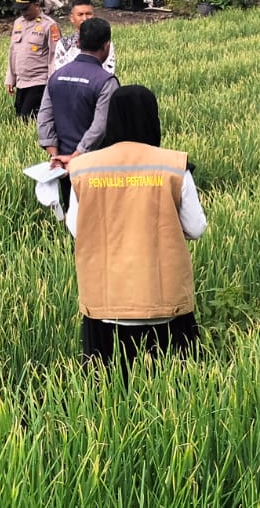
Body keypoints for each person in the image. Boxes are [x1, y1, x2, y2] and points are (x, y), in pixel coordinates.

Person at [66, 84, 206, 368]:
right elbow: (196, 227)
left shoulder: (84, 168)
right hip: (165, 302)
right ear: (153, 118)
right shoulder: (174, 165)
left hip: (106, 304)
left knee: (108, 389)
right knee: (176, 390)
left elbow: (77, 229)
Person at [38, 17, 120, 217]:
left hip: (63, 165)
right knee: (97, 218)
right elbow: (100, 126)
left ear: (78, 43)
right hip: (95, 162)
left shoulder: (57, 76)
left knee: (70, 215)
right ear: (106, 45)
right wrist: (77, 156)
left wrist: (55, 156)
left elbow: (44, 118)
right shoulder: (106, 81)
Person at [6, 0, 60, 120]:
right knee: (19, 117)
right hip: (21, 81)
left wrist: (52, 84)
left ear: (37, 5)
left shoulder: (49, 25)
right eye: (20, 9)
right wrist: (10, 78)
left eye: (26, 9)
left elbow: (55, 56)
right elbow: (13, 52)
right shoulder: (18, 23)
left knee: (27, 119)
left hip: (39, 82)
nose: (23, 13)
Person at [53, 0, 117, 75]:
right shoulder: (64, 43)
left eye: (88, 14)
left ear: (94, 15)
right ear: (72, 18)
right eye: (80, 14)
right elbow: (60, 71)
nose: (85, 18)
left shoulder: (104, 42)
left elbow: (109, 70)